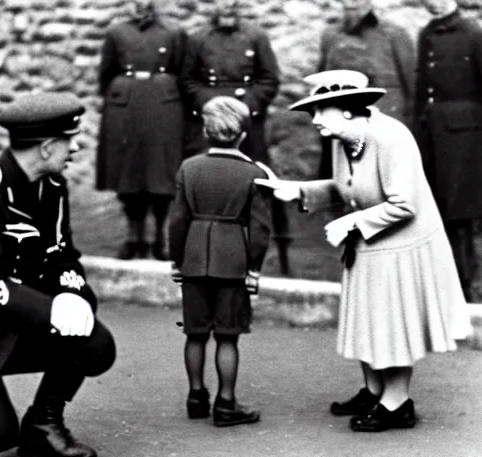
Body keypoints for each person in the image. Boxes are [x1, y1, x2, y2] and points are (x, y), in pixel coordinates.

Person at [255, 70, 471, 432]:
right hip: (371, 242)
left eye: (323, 110)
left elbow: (404, 204)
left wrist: (350, 223)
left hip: (403, 244)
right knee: (369, 318)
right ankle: (374, 390)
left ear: (351, 110)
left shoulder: (392, 139)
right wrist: (299, 191)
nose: (315, 119)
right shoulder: (342, 139)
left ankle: (397, 402)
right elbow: (349, 187)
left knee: (392, 323)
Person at [0, 93, 116, 457]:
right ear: (49, 147)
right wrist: (51, 309)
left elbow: (62, 254)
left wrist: (74, 294)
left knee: (95, 345)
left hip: (14, 321)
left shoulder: (51, 187)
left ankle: (43, 425)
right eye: (71, 139)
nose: (77, 146)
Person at [168, 96, 272, 427]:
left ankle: (196, 396)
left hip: (194, 259)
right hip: (233, 263)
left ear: (205, 131)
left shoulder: (189, 168)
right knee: (227, 336)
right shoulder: (252, 173)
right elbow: (259, 230)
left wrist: (176, 260)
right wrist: (253, 267)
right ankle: (226, 403)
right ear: (242, 134)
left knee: (195, 333)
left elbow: (177, 221)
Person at [180, 0, 293, 276]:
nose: (227, 8)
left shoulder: (256, 36)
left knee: (263, 179)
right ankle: (200, 246)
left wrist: (247, 108)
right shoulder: (198, 39)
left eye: (233, 4)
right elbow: (187, 81)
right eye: (221, 4)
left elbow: (269, 79)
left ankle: (274, 248)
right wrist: (212, 105)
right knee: (205, 176)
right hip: (210, 118)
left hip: (249, 122)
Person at [96, 0, 187, 261]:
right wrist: (119, 97)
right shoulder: (116, 32)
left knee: (161, 173)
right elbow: (106, 73)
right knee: (128, 172)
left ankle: (161, 237)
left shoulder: (173, 32)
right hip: (125, 109)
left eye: (147, 3)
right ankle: (133, 236)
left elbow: (183, 72)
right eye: (136, 3)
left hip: (163, 108)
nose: (141, 7)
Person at [413, 0, 482, 302]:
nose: (433, 3)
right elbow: (421, 88)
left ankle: (465, 287)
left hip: (464, 139)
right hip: (431, 135)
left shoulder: (473, 33)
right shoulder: (426, 32)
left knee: (460, 214)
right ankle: (440, 284)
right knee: (434, 210)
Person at [317, 0, 415, 178]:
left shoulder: (394, 35)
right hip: (341, 124)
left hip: (382, 124)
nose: (351, 4)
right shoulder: (331, 36)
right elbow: (321, 84)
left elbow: (412, 86)